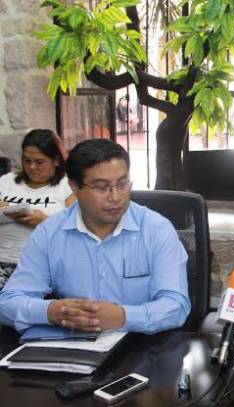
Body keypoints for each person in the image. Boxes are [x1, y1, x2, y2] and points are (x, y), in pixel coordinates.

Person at [0, 139, 190, 334]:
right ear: (75, 187)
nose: (115, 197)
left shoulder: (156, 229)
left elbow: (176, 306)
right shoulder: (49, 233)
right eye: (101, 187)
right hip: (73, 342)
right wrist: (52, 311)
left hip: (143, 342)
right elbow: (7, 303)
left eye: (122, 184)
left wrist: (123, 317)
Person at [0, 129, 75, 289]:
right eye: (26, 161)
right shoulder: (6, 181)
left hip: (42, 267)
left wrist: (45, 221)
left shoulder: (67, 186)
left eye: (39, 162)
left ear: (56, 160)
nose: (32, 167)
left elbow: (77, 230)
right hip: (2, 261)